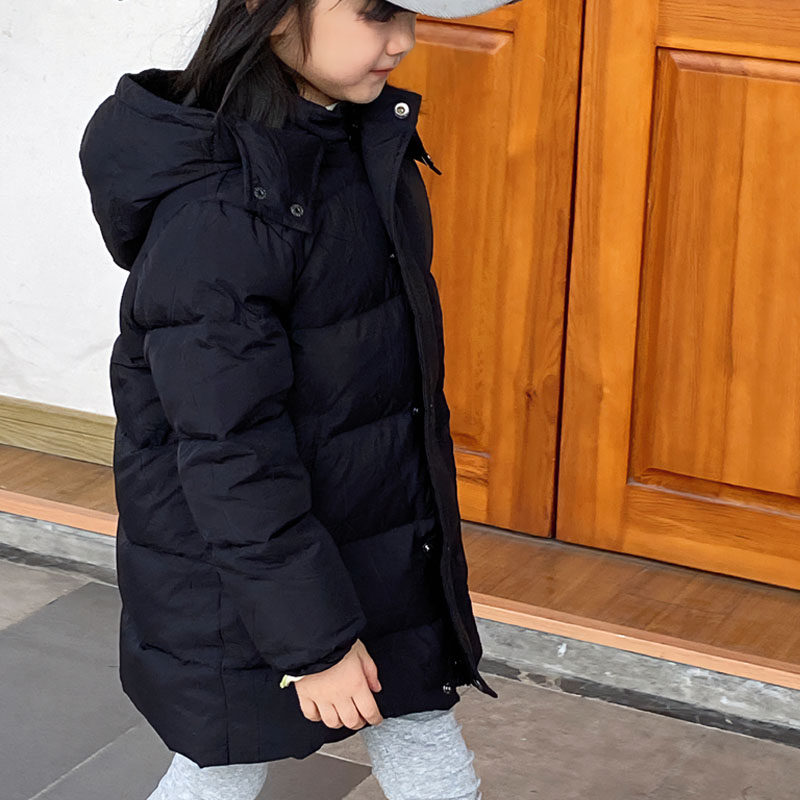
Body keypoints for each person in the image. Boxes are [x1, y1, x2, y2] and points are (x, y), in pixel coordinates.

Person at [78, 0, 517, 795]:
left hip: (367, 540)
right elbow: (228, 450)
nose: (404, 38)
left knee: (420, 725)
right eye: (376, 12)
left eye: (410, 12)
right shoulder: (221, 211)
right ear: (269, 11)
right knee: (221, 767)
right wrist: (313, 643)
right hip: (245, 578)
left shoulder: (352, 142)